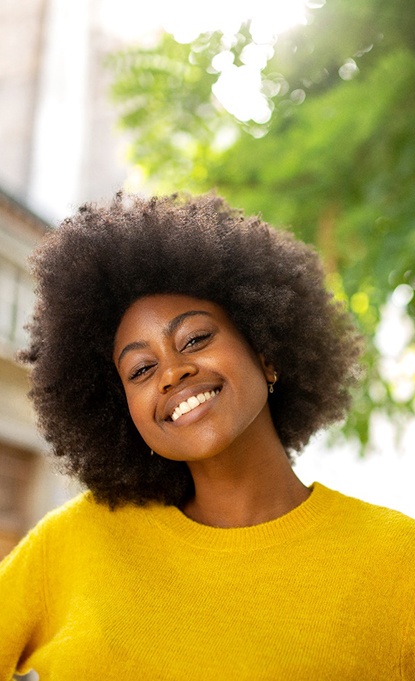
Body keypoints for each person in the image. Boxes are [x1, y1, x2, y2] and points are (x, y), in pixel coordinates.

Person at [0, 192, 414, 680]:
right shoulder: (75, 541)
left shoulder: (398, 562)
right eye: (141, 369)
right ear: (124, 415)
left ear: (266, 353)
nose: (172, 373)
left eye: (195, 339)